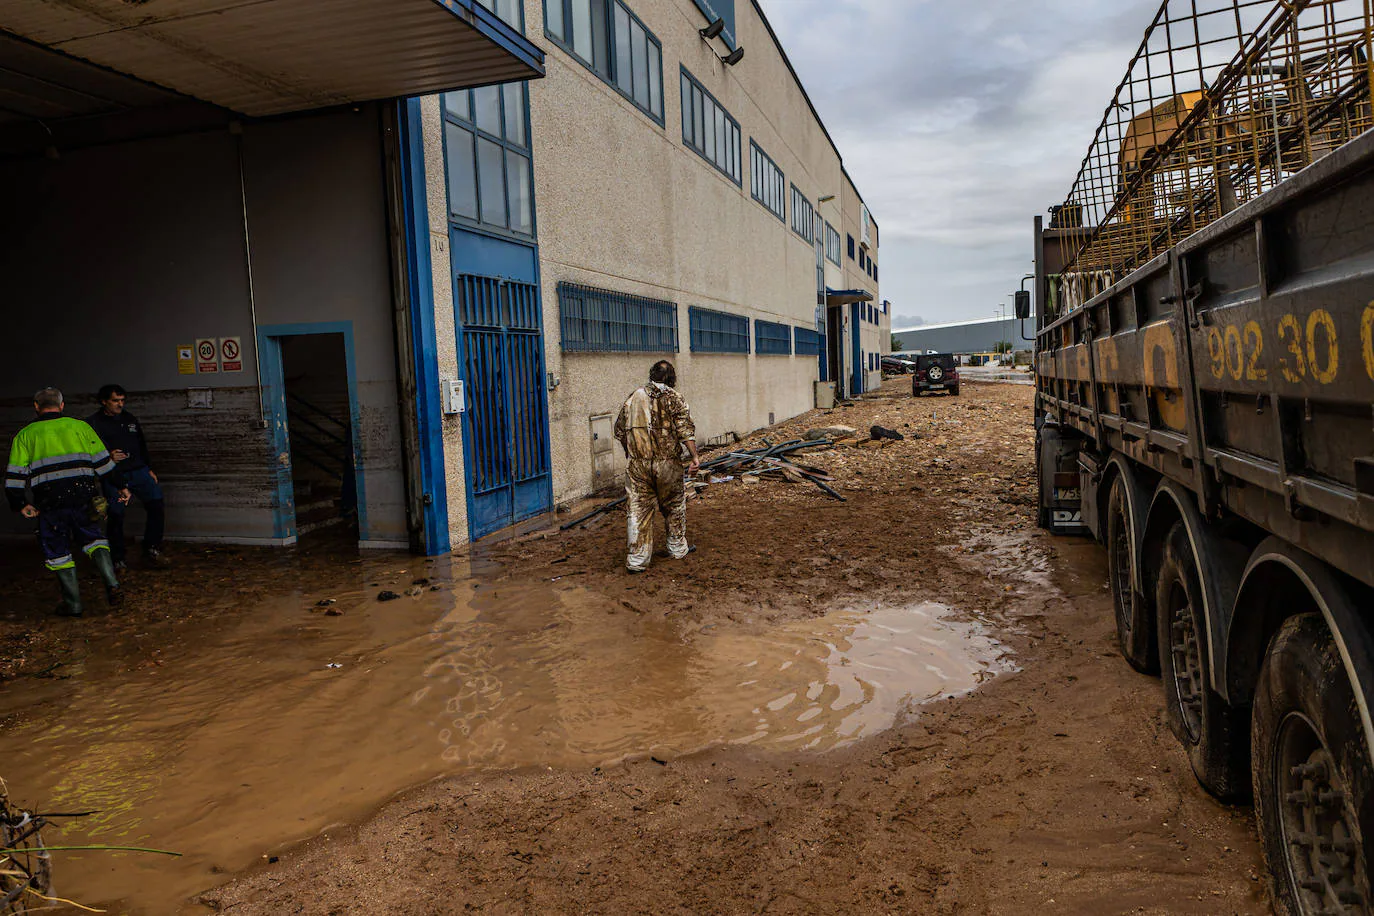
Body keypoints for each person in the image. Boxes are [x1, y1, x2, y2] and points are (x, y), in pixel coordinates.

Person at [6, 387, 129, 617]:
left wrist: (19, 502)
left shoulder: (25, 435)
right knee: (95, 539)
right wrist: (121, 486)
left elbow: (15, 476)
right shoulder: (81, 427)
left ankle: (73, 605)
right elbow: (104, 464)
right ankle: (112, 583)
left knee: (57, 551)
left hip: (50, 503)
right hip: (83, 497)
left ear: (36, 407)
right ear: (62, 406)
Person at [613, 360, 700, 573]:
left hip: (638, 465)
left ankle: (637, 560)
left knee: (637, 511)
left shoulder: (633, 398)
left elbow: (620, 431)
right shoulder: (674, 398)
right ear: (671, 378)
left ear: (651, 375)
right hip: (667, 463)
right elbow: (685, 431)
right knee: (673, 506)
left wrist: (629, 452)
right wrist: (695, 457)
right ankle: (677, 548)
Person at [87, 384, 169, 569]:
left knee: (156, 504)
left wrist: (149, 468)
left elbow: (141, 443)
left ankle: (152, 548)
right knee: (116, 514)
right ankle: (117, 558)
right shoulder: (93, 423)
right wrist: (108, 456)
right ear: (104, 401)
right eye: (115, 401)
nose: (120, 405)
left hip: (138, 470)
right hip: (113, 473)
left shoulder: (129, 418)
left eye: (122, 400)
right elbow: (85, 452)